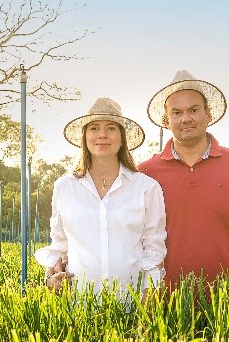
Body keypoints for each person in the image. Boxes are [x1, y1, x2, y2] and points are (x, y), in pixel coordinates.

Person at [138, 70, 229, 287]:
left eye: (194, 110)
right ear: (166, 120)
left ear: (208, 114)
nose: (186, 119)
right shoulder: (145, 174)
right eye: (176, 113)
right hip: (165, 308)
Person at [36, 97, 166, 297]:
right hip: (78, 305)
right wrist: (50, 279)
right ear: (85, 136)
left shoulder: (146, 188)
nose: (102, 135)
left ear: (122, 137)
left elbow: (154, 251)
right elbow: (59, 246)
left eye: (111, 128)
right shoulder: (65, 187)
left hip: (130, 302)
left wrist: (147, 305)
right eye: (94, 128)